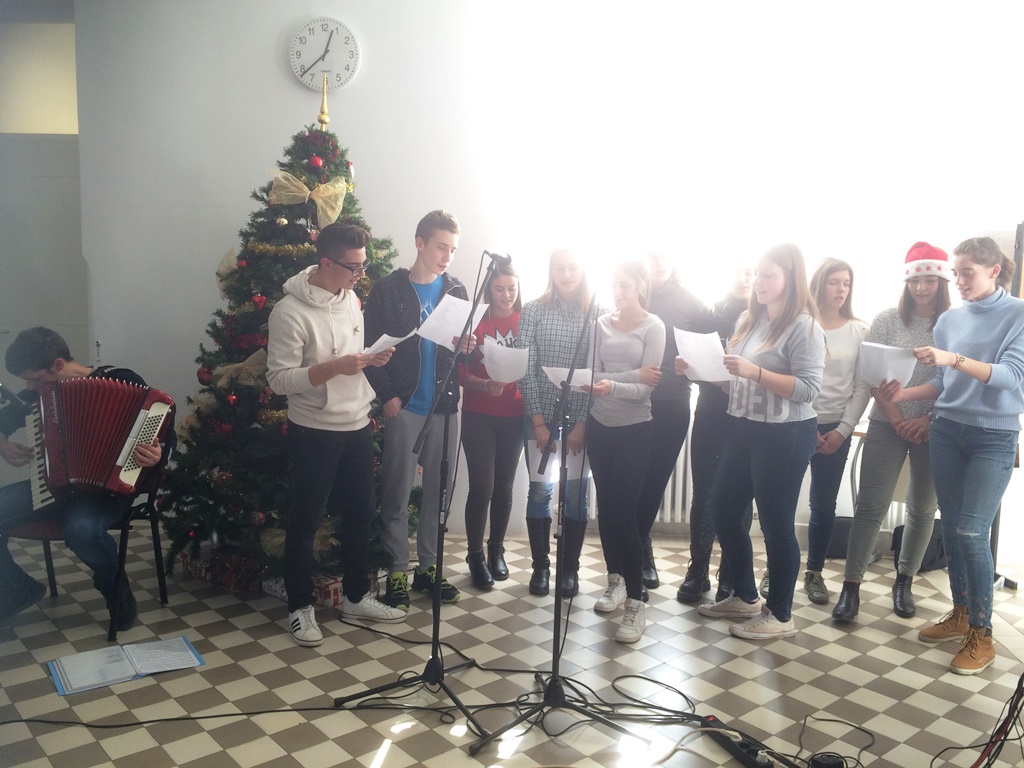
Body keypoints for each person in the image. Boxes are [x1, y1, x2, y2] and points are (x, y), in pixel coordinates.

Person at [879, 236, 1024, 675]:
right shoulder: (950, 320)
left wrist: (954, 358)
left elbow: (1010, 377)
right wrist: (904, 394)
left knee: (972, 531)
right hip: (946, 432)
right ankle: (961, 614)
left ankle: (982, 635)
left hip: (993, 437)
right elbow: (944, 384)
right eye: (955, 273)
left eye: (967, 273)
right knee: (957, 528)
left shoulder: (1018, 314)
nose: (957, 281)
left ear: (994, 271)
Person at [267, 221, 405, 647]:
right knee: (305, 521)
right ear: (325, 263)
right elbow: (278, 380)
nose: (360, 275)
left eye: (363, 266)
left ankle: (356, 598)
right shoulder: (288, 312)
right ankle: (300, 606)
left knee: (360, 514)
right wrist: (335, 367)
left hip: (357, 423)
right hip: (314, 429)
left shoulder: (351, 300)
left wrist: (370, 360)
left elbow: (352, 358)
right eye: (353, 267)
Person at [693, 244, 825, 640]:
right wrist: (700, 369)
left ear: (791, 279)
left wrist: (755, 373)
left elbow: (808, 389)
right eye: (758, 274)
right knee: (721, 509)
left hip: (786, 433)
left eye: (769, 275)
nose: (759, 282)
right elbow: (736, 380)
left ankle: (780, 614)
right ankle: (746, 597)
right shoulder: (750, 319)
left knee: (776, 525)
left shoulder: (804, 326)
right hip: (745, 425)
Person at [0, 327, 171, 630]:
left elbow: (164, 437)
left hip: (106, 492)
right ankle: (18, 589)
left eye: (35, 379)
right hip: (49, 486)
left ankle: (114, 587)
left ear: (58, 364)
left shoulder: (123, 380)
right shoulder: (37, 396)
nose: (30, 387)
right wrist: (3, 444)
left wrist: (156, 455)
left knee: (82, 530)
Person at [832, 243, 950, 623]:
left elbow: (956, 382)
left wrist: (926, 420)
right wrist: (898, 419)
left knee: (923, 508)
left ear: (941, 281)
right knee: (871, 506)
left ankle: (904, 582)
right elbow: (872, 375)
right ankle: (851, 587)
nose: (921, 287)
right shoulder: (886, 319)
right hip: (887, 422)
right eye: (915, 280)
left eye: (929, 279)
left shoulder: (952, 324)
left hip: (933, 427)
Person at [363, 210, 474, 612]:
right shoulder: (388, 289)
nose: (447, 256)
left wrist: (466, 347)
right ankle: (396, 570)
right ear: (420, 243)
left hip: (445, 406)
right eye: (441, 247)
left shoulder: (456, 289)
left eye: (453, 250)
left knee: (438, 493)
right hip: (405, 406)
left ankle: (428, 568)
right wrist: (388, 395)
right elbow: (370, 348)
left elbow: (459, 351)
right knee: (396, 492)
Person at [584, 261, 665, 643]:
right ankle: (614, 580)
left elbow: (648, 387)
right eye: (615, 285)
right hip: (600, 426)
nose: (618, 292)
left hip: (635, 430)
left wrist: (612, 384)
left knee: (625, 516)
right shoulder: (600, 323)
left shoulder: (654, 326)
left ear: (640, 287)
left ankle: (636, 601)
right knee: (606, 510)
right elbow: (591, 374)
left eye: (625, 285)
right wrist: (627, 378)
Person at [632, 252, 712, 594]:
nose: (659, 262)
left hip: (673, 403)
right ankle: (635, 553)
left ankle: (640, 550)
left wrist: (691, 364)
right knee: (634, 481)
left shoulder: (691, 301)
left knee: (654, 483)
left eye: (665, 255)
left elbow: (712, 349)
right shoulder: (632, 293)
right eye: (653, 255)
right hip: (631, 400)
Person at [517, 249, 594, 598]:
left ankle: (569, 570)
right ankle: (541, 567)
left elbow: (597, 372)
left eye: (573, 267)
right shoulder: (534, 309)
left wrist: (581, 424)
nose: (566, 274)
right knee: (539, 490)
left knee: (576, 494)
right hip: (541, 416)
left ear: (583, 270)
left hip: (579, 418)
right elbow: (526, 367)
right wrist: (538, 422)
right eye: (560, 268)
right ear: (551, 271)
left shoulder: (597, 312)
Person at [675, 265, 754, 603]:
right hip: (710, 412)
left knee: (741, 498)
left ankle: (731, 573)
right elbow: (696, 365)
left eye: (752, 272)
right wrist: (687, 368)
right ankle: (698, 570)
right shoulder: (709, 316)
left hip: (748, 416)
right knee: (704, 494)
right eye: (740, 271)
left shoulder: (766, 320)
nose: (745, 278)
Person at [797, 259, 870, 606]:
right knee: (779, 500)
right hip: (797, 423)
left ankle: (814, 572)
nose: (841, 289)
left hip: (836, 429)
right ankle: (776, 567)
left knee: (823, 504)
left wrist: (843, 430)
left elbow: (862, 387)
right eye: (834, 282)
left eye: (846, 283)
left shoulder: (859, 331)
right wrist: (805, 424)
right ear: (818, 285)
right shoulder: (801, 324)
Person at [459, 262, 525, 590]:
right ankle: (475, 555)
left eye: (512, 288)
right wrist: (485, 385)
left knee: (504, 488)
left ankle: (496, 549)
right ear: (489, 289)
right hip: (479, 414)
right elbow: (459, 372)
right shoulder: (476, 320)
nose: (507, 295)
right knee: (481, 487)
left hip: (515, 415)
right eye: (500, 288)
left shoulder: (526, 320)